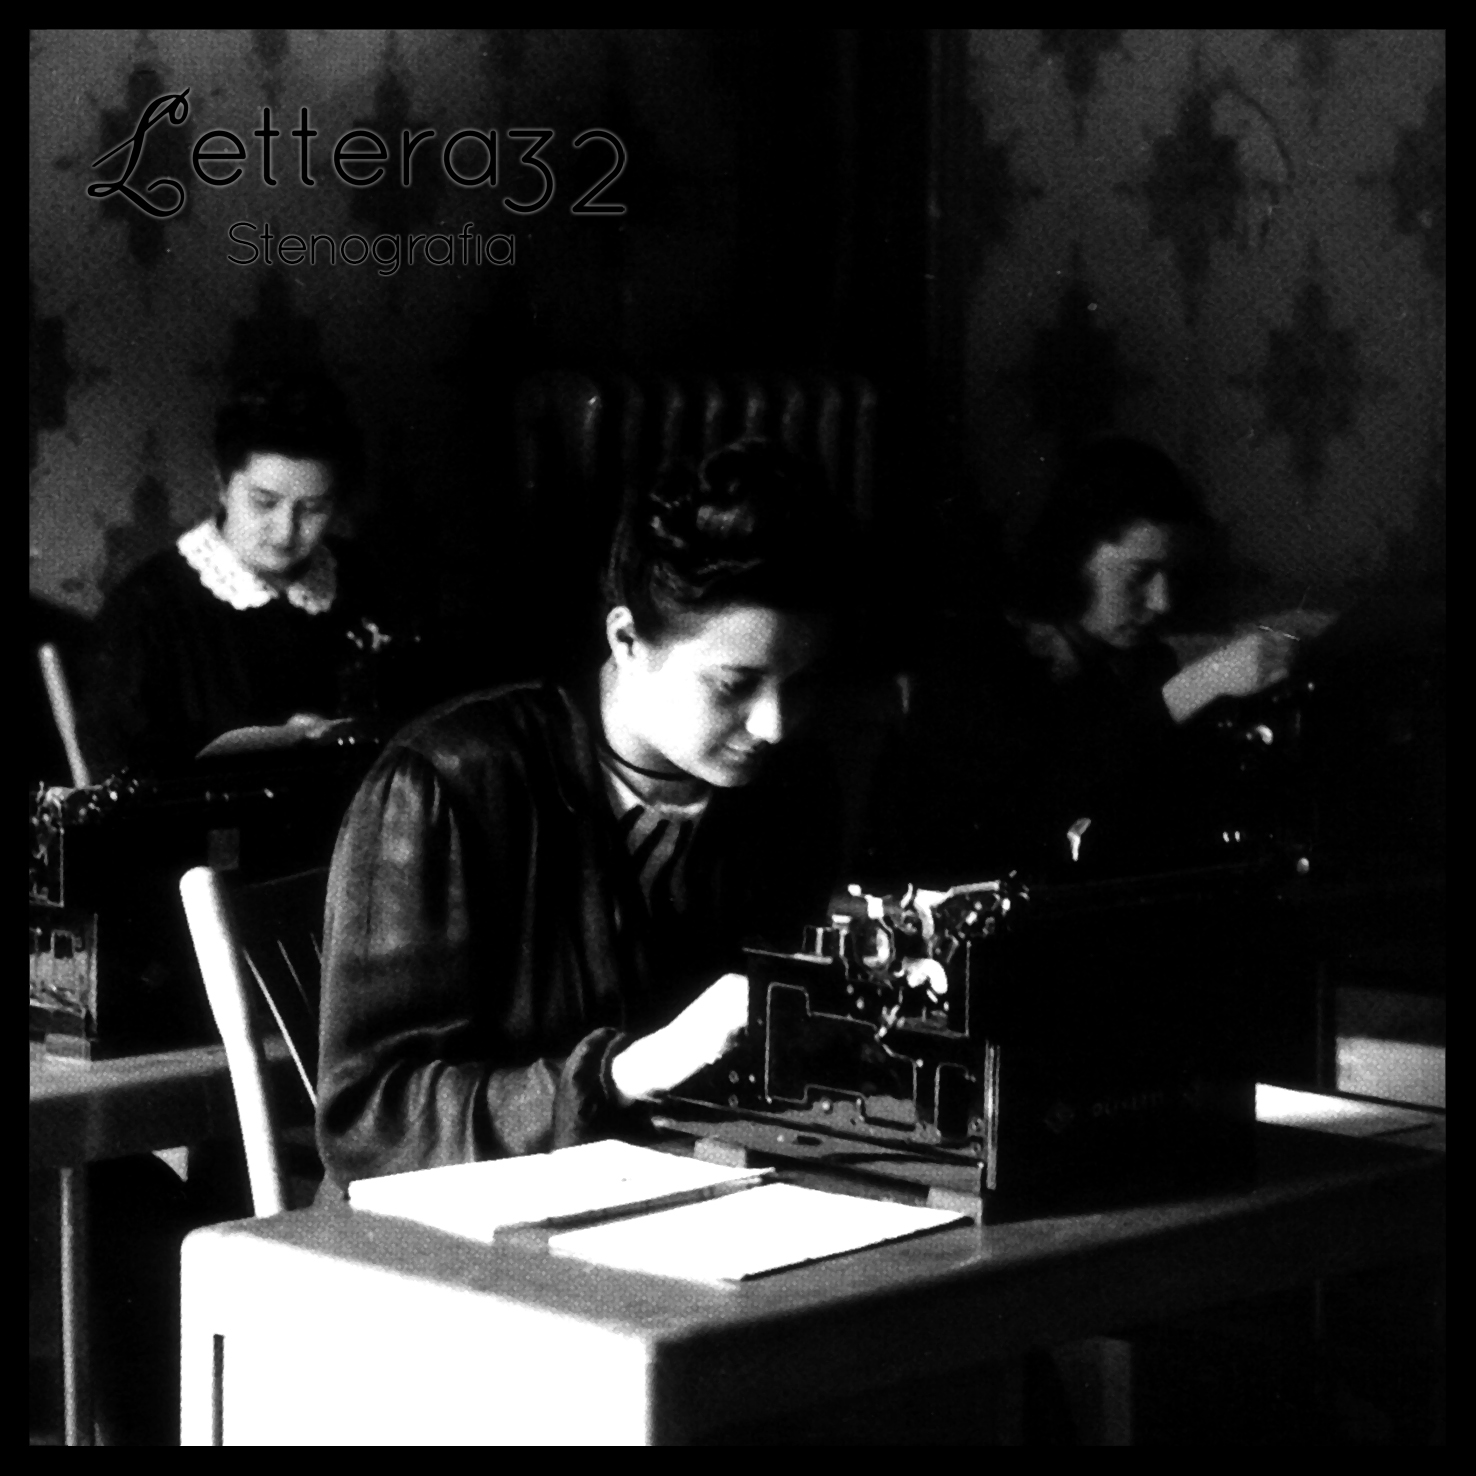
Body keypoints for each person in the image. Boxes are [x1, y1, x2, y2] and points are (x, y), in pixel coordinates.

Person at [316, 439, 845, 1190]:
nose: (774, 725)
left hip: (685, 1208)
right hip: (457, 1230)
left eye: (800, 683)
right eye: (734, 684)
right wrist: (623, 1074)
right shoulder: (449, 783)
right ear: (626, 639)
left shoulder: (790, 788)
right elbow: (367, 1121)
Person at [869, 437, 1298, 878]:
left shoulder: (1147, 662)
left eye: (1172, 575)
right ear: (1074, 556)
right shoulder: (978, 660)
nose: (1162, 601)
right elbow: (1029, 811)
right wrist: (1192, 689)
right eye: (1140, 575)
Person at [80, 371, 378, 777]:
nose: (285, 531)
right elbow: (116, 767)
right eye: (264, 502)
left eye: (312, 508)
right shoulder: (148, 606)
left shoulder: (362, 577)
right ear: (222, 485)